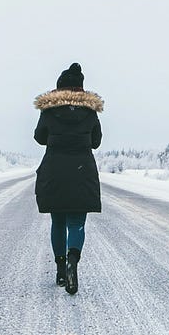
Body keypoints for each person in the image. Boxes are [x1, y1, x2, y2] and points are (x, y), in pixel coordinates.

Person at [33, 63, 104, 295]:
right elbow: (96, 141)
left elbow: (39, 137)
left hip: (55, 171)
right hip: (82, 171)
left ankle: (61, 269)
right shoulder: (90, 112)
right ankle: (74, 259)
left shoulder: (49, 111)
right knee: (76, 223)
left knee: (58, 222)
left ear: (60, 88)